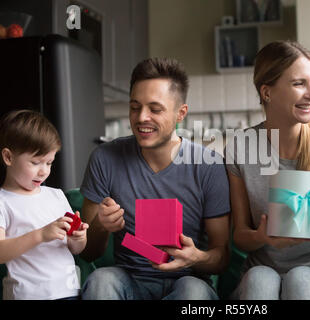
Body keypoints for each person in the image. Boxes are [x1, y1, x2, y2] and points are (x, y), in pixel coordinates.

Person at [80, 57, 230, 300]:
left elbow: (221, 258)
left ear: (181, 113)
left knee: (193, 293)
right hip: (128, 280)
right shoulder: (104, 158)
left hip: (187, 281)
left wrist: (196, 257)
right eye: (135, 107)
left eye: (155, 109)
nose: (141, 118)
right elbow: (87, 253)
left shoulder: (208, 165)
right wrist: (100, 225)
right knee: (101, 280)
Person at [225, 40, 310, 300]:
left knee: (300, 278)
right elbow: (240, 236)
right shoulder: (240, 147)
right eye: (299, 83)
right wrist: (262, 237)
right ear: (267, 92)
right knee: (259, 278)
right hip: (264, 273)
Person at [0, 110, 88, 300]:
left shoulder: (56, 196)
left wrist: (78, 237)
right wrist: (40, 235)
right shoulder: (3, 201)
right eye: (36, 162)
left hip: (69, 290)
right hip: (28, 294)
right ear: (8, 157)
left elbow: (75, 249)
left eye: (49, 163)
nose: (43, 172)